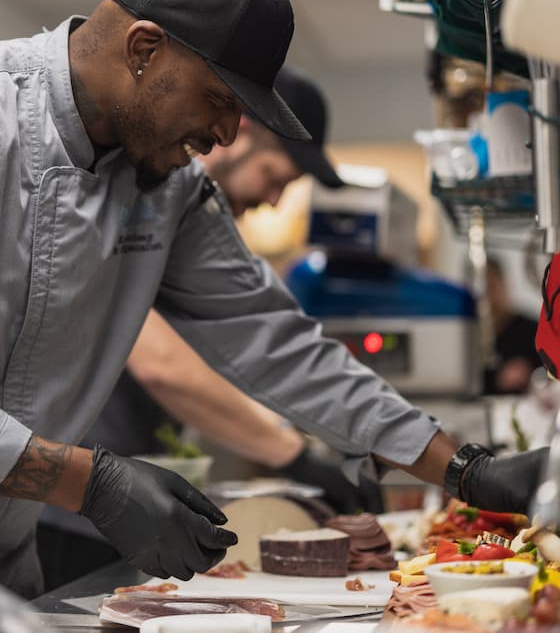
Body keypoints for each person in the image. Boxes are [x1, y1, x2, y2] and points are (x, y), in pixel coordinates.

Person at [0, 0, 547, 633]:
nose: (226, 134)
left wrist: (463, 467)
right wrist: (91, 481)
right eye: (221, 101)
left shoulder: (166, 186)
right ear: (145, 48)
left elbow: (275, 338)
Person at [36, 66, 385, 589]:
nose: (273, 200)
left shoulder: (184, 236)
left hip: (123, 498)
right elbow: (162, 363)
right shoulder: (137, 207)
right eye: (276, 177)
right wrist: (295, 457)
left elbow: (244, 348)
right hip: (67, 502)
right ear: (240, 133)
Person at [482, 256, 542, 395]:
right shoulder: (468, 337)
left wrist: (530, 373)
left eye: (492, 287)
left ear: (504, 285)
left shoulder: (532, 330)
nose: (488, 297)